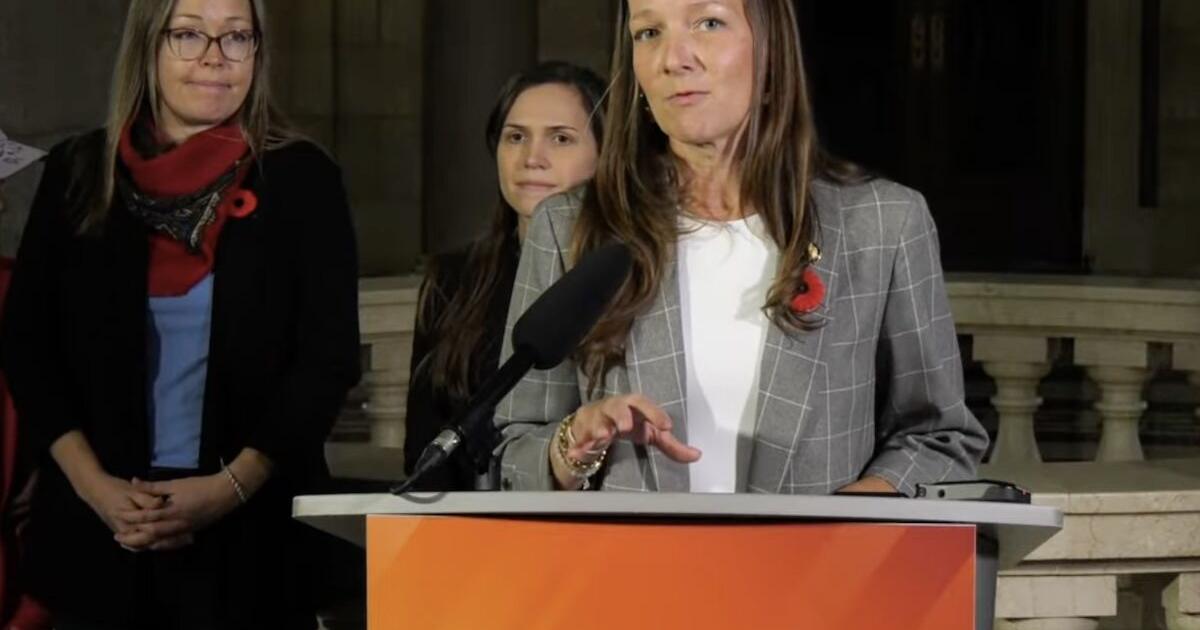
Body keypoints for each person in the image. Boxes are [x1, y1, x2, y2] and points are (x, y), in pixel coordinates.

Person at [495, 0, 988, 494]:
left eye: (708, 23)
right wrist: (571, 446)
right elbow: (513, 450)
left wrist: (857, 515)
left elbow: (939, 437)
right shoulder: (570, 226)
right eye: (649, 33)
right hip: (628, 547)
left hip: (819, 547)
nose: (673, 58)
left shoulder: (881, 223)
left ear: (771, 50)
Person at [0, 0, 360, 628]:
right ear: (149, 46)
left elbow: (326, 360)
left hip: (252, 545)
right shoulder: (79, 171)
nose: (215, 58)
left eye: (236, 37)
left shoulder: (302, 178)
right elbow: (29, 346)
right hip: (96, 538)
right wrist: (97, 490)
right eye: (189, 35)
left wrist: (230, 487)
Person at [404, 61, 606, 490]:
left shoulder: (621, 277)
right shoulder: (452, 278)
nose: (532, 158)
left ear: (606, 154)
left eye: (561, 138)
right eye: (516, 137)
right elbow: (423, 455)